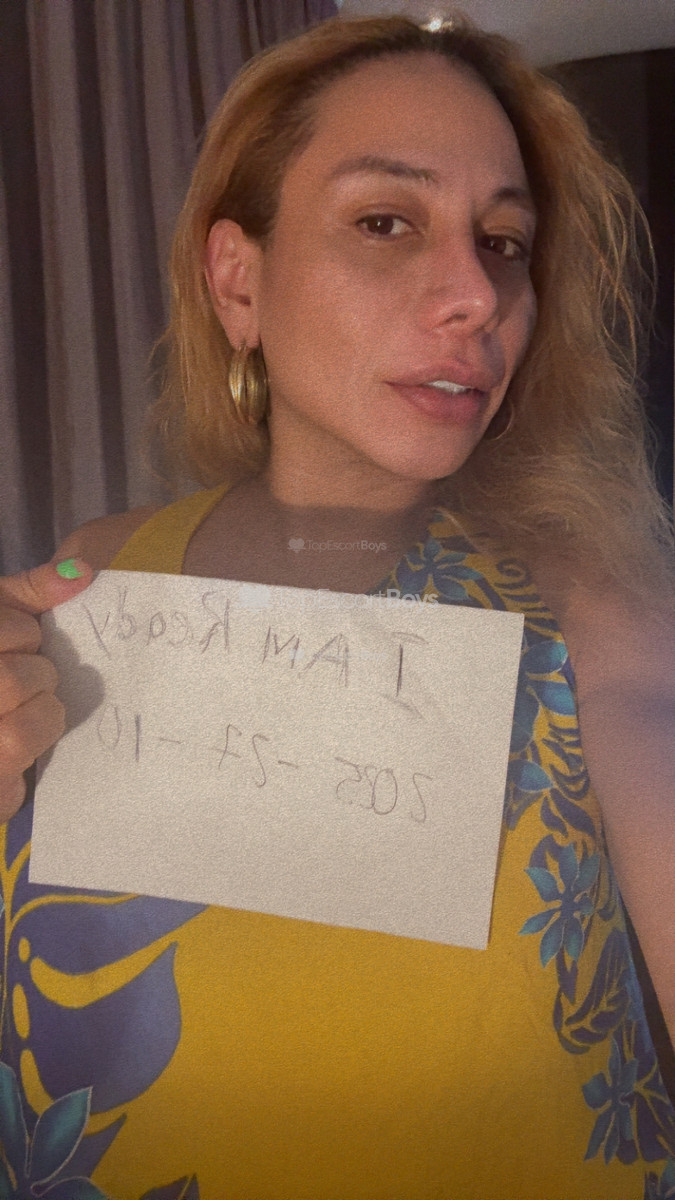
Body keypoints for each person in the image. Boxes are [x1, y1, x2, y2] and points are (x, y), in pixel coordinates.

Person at [0, 12, 673, 1199]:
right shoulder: (95, 579)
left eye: (504, 243)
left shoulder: (594, 617)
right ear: (238, 280)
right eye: (385, 222)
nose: (476, 294)